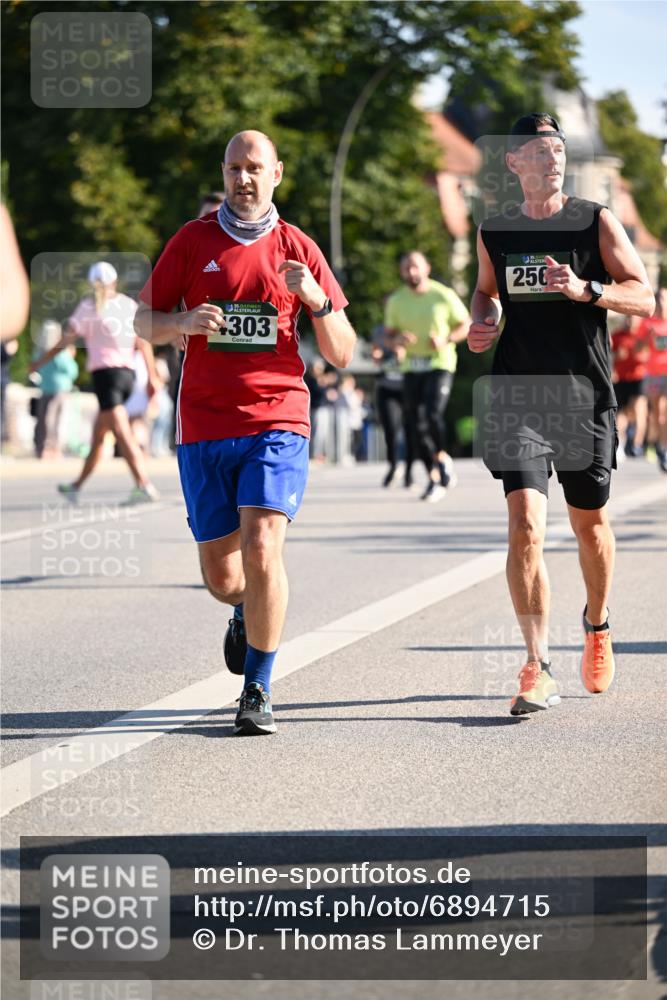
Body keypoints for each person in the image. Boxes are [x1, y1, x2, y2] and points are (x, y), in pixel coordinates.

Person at [134, 130, 355, 736]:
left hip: (278, 416)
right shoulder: (192, 240)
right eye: (234, 168)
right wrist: (181, 319)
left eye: (255, 167)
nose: (243, 178)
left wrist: (315, 299)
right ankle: (242, 610)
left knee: (263, 547)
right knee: (223, 577)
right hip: (204, 421)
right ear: (224, 173)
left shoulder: (297, 247)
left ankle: (258, 686)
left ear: (277, 173)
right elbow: (143, 321)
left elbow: (342, 352)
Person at [469, 112, 654, 716]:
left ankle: (597, 623)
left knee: (589, 526)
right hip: (519, 395)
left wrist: (588, 291)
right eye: (537, 150)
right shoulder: (495, 229)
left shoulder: (594, 220)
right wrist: (484, 319)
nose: (551, 157)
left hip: (583, 396)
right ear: (514, 163)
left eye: (558, 149)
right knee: (524, 524)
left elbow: (643, 295)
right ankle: (536, 663)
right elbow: (486, 288)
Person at [30, 262, 161, 504]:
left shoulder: (88, 307)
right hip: (127, 376)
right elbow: (143, 343)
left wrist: (39, 363)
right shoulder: (127, 305)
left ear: (92, 284)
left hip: (106, 377)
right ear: (114, 282)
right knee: (99, 436)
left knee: (121, 432)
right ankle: (76, 486)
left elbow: (64, 341)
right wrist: (152, 377)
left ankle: (144, 485)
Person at [384, 251, 469, 502]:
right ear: (401, 272)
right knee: (415, 423)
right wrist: (397, 341)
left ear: (427, 268)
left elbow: (465, 324)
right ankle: (435, 474)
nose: (411, 272)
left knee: (431, 413)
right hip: (411, 367)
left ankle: (441, 457)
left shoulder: (443, 295)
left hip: (440, 363)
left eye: (415, 267)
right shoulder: (396, 301)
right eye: (406, 268)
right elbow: (390, 336)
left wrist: (446, 339)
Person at [32, 320, 79, 458]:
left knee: (44, 420)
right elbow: (72, 371)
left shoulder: (39, 352)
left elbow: (35, 368)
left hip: (45, 388)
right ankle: (53, 449)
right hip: (60, 390)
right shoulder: (60, 353)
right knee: (56, 421)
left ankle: (42, 448)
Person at [637, 287, 667, 473]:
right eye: (659, 298)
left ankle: (663, 446)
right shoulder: (647, 323)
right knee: (658, 414)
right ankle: (660, 447)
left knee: (665, 411)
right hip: (654, 373)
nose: (661, 300)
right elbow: (637, 348)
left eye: (664, 297)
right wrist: (647, 337)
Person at [610, 314, 648, 459]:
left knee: (639, 410)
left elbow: (647, 354)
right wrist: (616, 360)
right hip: (621, 378)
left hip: (639, 377)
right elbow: (611, 355)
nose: (630, 320)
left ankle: (636, 445)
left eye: (633, 317)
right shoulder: (618, 335)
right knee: (621, 413)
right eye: (628, 317)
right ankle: (621, 444)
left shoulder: (643, 335)